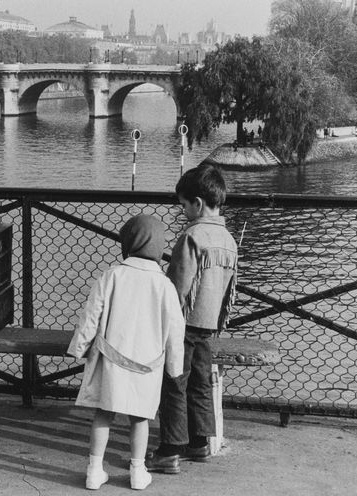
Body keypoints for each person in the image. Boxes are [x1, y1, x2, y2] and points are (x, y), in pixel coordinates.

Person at [67, 214, 185, 491]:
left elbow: (91, 316)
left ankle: (94, 471)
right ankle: (137, 470)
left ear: (128, 242)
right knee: (139, 418)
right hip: (147, 365)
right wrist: (175, 368)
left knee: (103, 413)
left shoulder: (111, 276)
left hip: (111, 360)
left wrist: (79, 347)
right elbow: (175, 331)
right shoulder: (165, 285)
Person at [146, 164, 238, 473]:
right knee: (200, 383)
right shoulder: (228, 240)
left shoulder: (192, 237)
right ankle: (199, 443)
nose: (182, 210)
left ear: (197, 203)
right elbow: (229, 290)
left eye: (183, 205)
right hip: (209, 324)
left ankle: (170, 449)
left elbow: (177, 287)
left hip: (184, 323)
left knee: (174, 382)